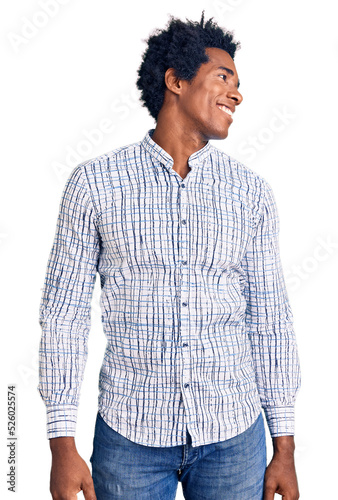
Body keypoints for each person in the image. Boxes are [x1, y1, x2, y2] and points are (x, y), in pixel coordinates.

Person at [38, 12, 301, 500]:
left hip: (234, 437)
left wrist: (283, 446)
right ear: (175, 80)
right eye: (223, 78)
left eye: (239, 83)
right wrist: (61, 443)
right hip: (128, 437)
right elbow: (63, 317)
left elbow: (271, 319)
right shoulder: (94, 184)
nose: (237, 94)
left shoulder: (251, 193)